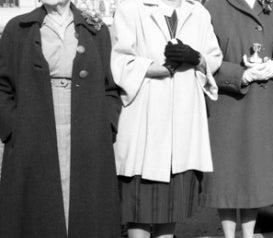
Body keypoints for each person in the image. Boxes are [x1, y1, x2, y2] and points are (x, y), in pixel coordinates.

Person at [0, 0, 122, 236]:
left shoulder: (95, 29)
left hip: (88, 124)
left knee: (87, 204)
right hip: (33, 124)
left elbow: (111, 87)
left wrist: (106, 125)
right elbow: (2, 87)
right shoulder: (18, 28)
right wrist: (14, 128)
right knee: (37, 206)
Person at [111, 0, 222, 237]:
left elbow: (213, 57)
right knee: (138, 208)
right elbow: (119, 60)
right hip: (146, 118)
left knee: (171, 208)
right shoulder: (131, 8)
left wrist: (196, 58)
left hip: (183, 120)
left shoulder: (199, 12)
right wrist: (158, 68)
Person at [199, 0, 273, 237]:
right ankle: (229, 234)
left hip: (261, 103)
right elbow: (203, 58)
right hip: (225, 104)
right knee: (225, 174)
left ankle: (249, 234)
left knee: (253, 171)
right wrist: (239, 74)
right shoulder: (213, 7)